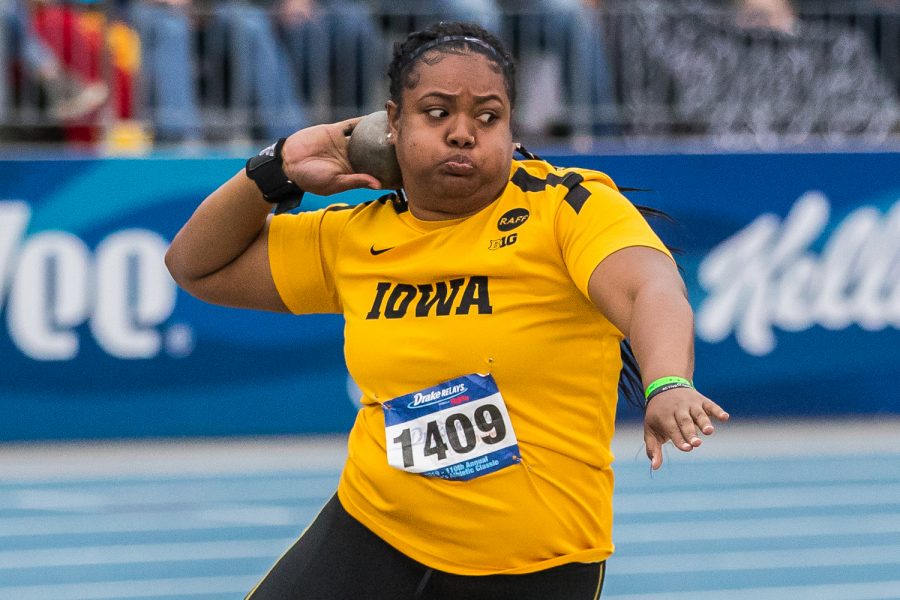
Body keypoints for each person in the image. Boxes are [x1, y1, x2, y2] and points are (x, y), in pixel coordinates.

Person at [165, 20, 729, 599]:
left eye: (488, 117)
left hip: (533, 566)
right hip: (372, 531)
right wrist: (277, 166)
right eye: (436, 113)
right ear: (391, 124)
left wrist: (666, 380)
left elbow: (651, 289)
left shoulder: (566, 206)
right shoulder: (356, 235)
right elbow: (195, 266)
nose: (464, 133)